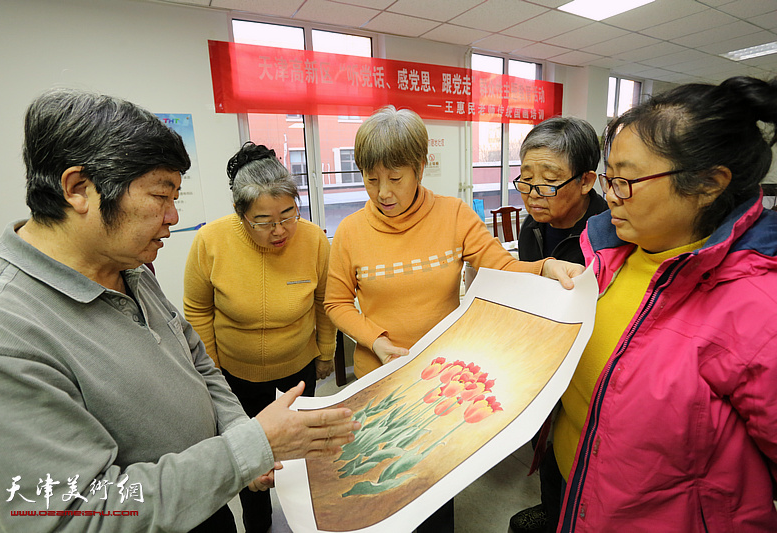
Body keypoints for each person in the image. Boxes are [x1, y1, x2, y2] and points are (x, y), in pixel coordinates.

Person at [0, 88, 359, 533]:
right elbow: (72, 519)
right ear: (79, 188)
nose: (174, 216)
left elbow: (195, 359)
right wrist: (247, 449)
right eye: (162, 196)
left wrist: (243, 438)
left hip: (203, 503)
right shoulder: (0, 336)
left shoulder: (129, 267)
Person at [324, 105, 584, 533]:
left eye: (395, 177)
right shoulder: (351, 231)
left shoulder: (454, 214)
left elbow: (497, 264)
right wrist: (377, 340)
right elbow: (336, 303)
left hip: (441, 378)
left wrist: (545, 267)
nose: (382, 191)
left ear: (420, 167)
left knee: (433, 484)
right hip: (382, 376)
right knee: (384, 484)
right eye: (372, 179)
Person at [552, 76, 777, 531]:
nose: (610, 195)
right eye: (609, 177)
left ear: (709, 184)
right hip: (579, 495)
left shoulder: (759, 311)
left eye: (627, 181)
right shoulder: (608, 252)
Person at [183, 141, 336, 533]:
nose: (280, 230)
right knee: (251, 457)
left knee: (299, 451)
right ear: (241, 213)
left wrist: (325, 352)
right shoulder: (210, 242)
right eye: (264, 221)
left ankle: (306, 517)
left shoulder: (314, 240)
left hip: (297, 363)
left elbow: (323, 301)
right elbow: (198, 309)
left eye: (288, 215)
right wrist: (211, 370)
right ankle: (259, 522)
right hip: (236, 371)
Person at [508, 117, 607, 533]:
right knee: (547, 448)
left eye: (548, 182)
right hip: (545, 358)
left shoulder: (610, 235)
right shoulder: (533, 225)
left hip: (590, 370)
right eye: (525, 179)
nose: (532, 194)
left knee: (582, 457)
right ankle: (553, 512)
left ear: (586, 181)